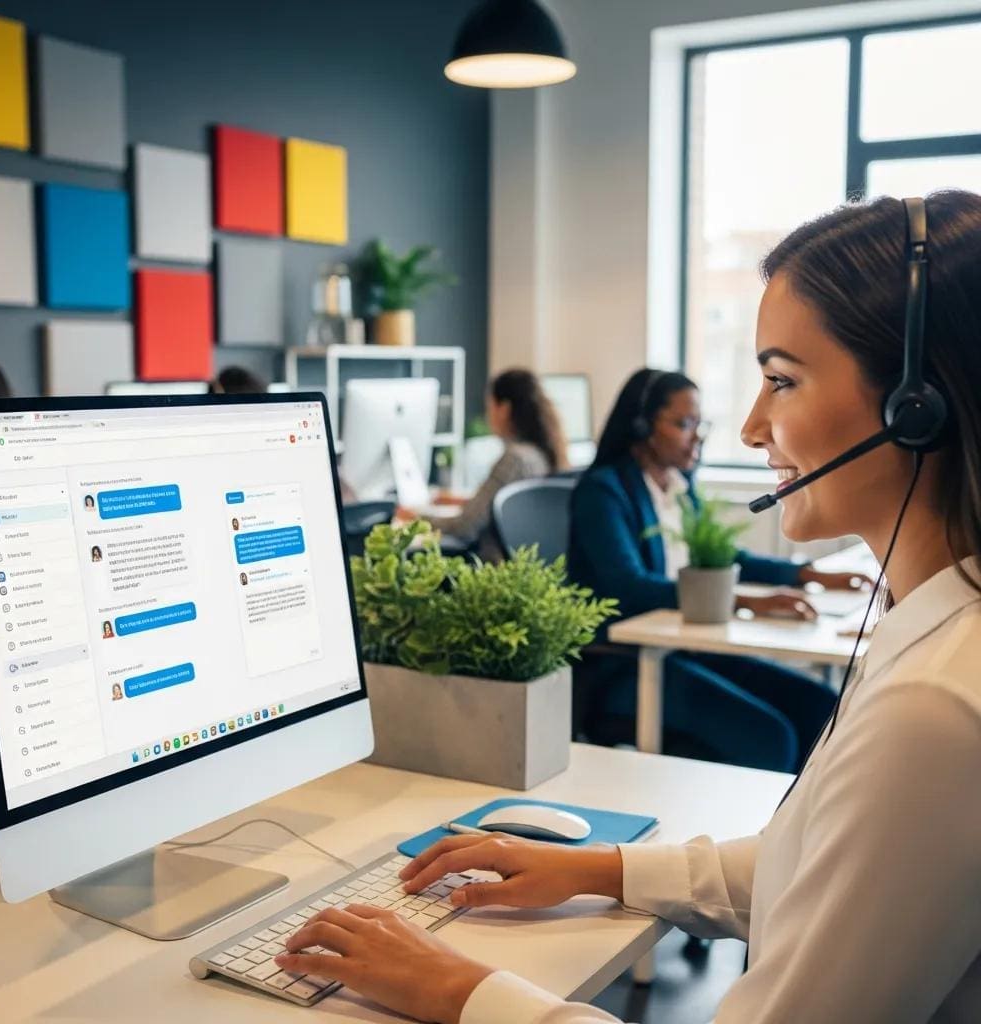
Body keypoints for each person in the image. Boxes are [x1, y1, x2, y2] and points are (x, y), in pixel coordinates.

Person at [270, 192, 981, 1023]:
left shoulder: (932, 708)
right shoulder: (933, 645)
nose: (751, 427)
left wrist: (457, 990)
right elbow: (814, 868)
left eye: (782, 381)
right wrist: (601, 868)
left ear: (915, 408)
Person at [568, 367, 856, 769]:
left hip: (686, 648)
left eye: (700, 424)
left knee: (821, 706)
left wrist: (807, 575)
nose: (697, 436)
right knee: (769, 736)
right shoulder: (603, 492)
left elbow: (722, 558)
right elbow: (631, 586)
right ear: (642, 425)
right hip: (624, 664)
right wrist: (741, 600)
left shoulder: (680, 487)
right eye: (683, 424)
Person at [397, 368, 568, 562]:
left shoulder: (515, 460)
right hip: (527, 569)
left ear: (504, 409)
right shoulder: (539, 454)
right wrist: (461, 501)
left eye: (489, 407)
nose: (488, 416)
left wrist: (416, 517)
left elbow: (465, 526)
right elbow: (501, 505)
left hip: (491, 567)